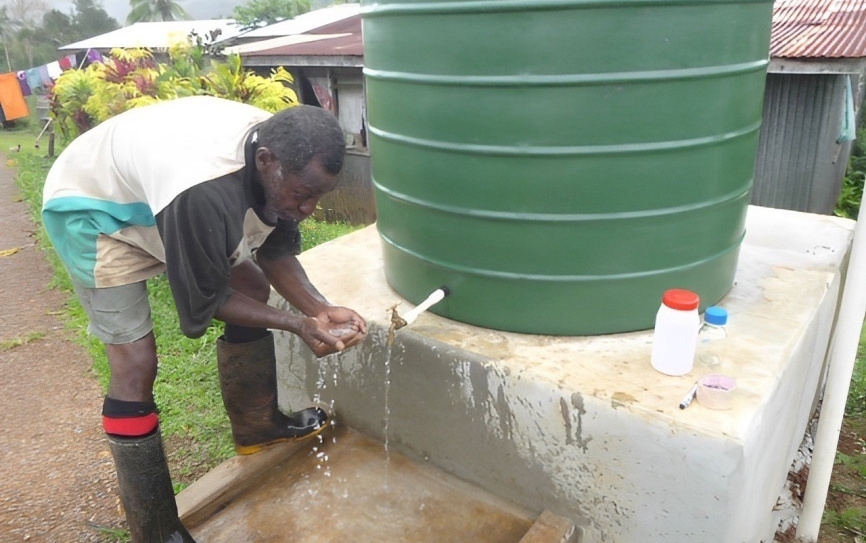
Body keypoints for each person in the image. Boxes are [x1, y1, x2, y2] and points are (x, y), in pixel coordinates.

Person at [42, 96, 367, 543]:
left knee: (254, 286)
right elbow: (206, 301)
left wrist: (317, 307)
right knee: (135, 363)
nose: (308, 208)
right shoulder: (203, 190)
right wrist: (297, 324)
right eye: (302, 195)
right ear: (265, 162)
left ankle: (258, 427)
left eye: (317, 196)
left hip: (157, 193)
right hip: (95, 211)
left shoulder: (277, 156)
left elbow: (274, 248)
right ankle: (154, 530)